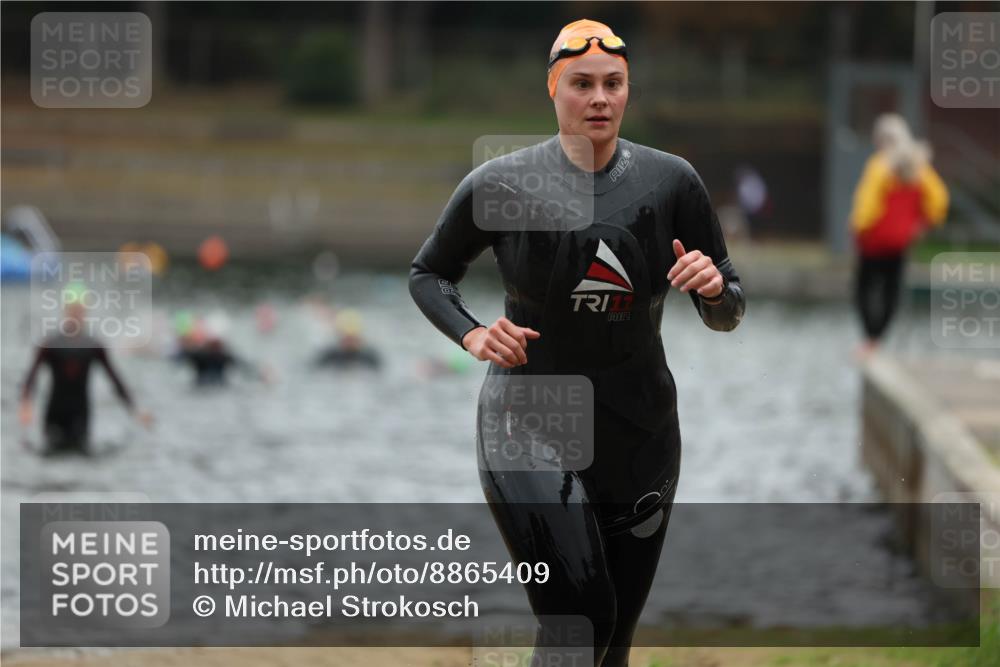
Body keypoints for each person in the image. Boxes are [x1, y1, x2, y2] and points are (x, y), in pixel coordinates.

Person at [409, 19, 744, 667]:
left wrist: (712, 289)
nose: (599, 97)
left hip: (641, 431)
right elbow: (429, 273)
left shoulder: (672, 183)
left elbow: (727, 307)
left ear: (628, 92)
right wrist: (474, 331)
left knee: (611, 640)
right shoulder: (501, 184)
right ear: (553, 89)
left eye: (613, 84)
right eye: (581, 83)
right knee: (581, 619)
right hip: (528, 421)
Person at [850, 113, 949, 356]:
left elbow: (867, 205)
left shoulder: (879, 165)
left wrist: (857, 229)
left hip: (874, 242)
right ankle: (879, 338)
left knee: (864, 289)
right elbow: (939, 199)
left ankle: (870, 338)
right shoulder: (919, 167)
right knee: (892, 291)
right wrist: (924, 223)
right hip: (901, 241)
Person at [19, 302, 153, 455]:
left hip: (80, 412)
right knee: (51, 453)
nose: (76, 315)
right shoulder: (50, 343)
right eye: (73, 311)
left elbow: (115, 379)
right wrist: (26, 403)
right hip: (55, 411)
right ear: (66, 313)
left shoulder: (94, 345)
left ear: (85, 315)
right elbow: (32, 375)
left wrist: (135, 410)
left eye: (80, 312)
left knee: (81, 455)